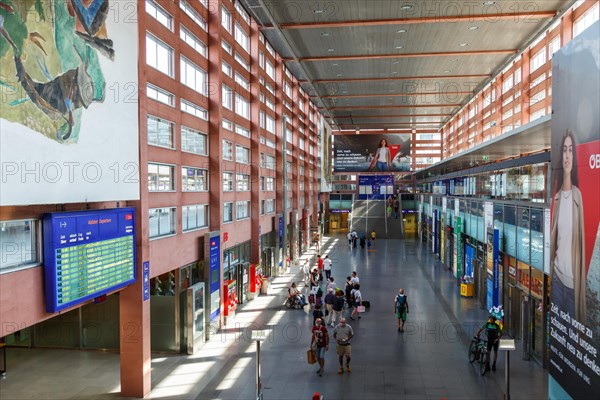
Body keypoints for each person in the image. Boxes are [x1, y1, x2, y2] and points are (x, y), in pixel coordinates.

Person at [550, 130, 586, 322]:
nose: (567, 155)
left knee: (571, 341)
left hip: (572, 286)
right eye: (564, 150)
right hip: (557, 280)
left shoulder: (578, 197)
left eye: (571, 150)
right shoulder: (555, 198)